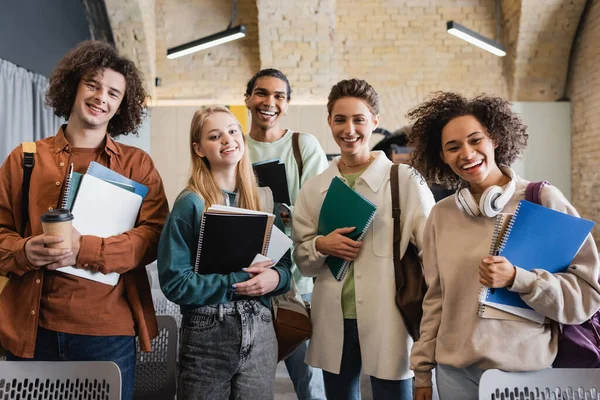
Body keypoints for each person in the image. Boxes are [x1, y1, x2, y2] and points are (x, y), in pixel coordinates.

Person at [0, 40, 169, 400]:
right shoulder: (25, 159)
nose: (100, 97)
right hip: (31, 329)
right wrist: (24, 250)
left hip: (107, 333)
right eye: (92, 84)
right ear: (74, 85)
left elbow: (155, 237)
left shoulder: (137, 164)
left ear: (122, 106)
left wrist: (85, 248)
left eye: (113, 92)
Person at [406, 92, 600, 400]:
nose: (466, 153)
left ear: (494, 138)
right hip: (454, 375)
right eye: (453, 147)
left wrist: (518, 279)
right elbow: (435, 302)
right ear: (442, 156)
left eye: (475, 140)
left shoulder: (543, 201)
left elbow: (587, 295)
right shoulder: (441, 216)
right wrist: (422, 372)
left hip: (524, 375)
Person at [292, 78, 436, 400]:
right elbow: (301, 259)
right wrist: (320, 245)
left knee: (393, 394)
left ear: (375, 121)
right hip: (334, 318)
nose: (349, 129)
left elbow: (432, 249)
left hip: (390, 314)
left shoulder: (404, 179)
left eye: (359, 119)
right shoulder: (315, 188)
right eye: (340, 119)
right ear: (329, 121)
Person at [157, 105, 292, 400]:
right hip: (208, 332)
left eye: (233, 131)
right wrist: (241, 280)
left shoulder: (263, 199)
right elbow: (175, 283)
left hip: (261, 327)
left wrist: (274, 279)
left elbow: (285, 269)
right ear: (199, 149)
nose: (228, 140)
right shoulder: (190, 204)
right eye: (215, 136)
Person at [244, 68, 328, 399]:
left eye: (279, 96)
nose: (269, 102)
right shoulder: (235, 146)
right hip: (249, 282)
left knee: (309, 382)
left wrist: (286, 215)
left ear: (287, 104)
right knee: (251, 383)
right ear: (248, 98)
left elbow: (321, 211)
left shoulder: (302, 146)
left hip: (298, 286)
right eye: (262, 93)